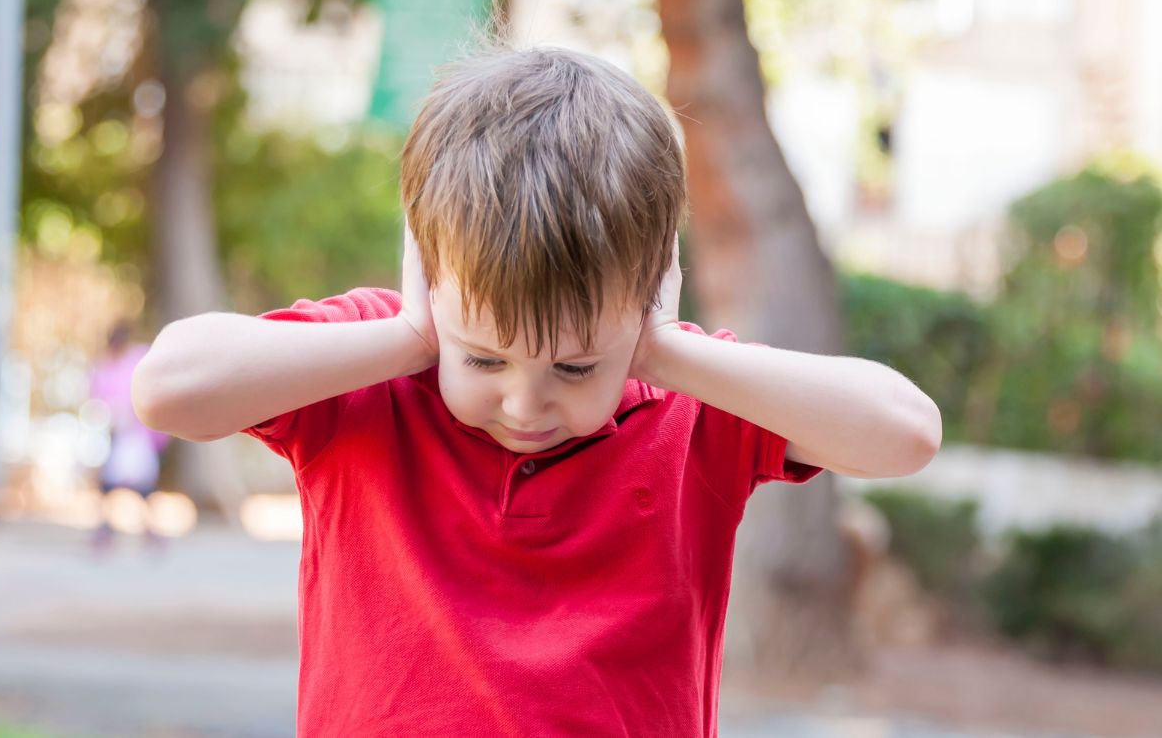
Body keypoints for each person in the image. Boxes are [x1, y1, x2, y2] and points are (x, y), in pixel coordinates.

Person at [132, 47, 942, 736]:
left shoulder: (690, 410)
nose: (526, 403)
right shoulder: (365, 375)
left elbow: (905, 434)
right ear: (426, 271)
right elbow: (168, 389)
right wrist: (411, 337)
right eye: (483, 360)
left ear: (652, 293)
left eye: (576, 368)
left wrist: (660, 355)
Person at [89, 319, 171, 556]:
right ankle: (106, 528)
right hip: (114, 433)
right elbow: (97, 399)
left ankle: (149, 529)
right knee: (109, 485)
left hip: (140, 435)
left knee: (143, 486)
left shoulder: (139, 359)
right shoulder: (103, 367)